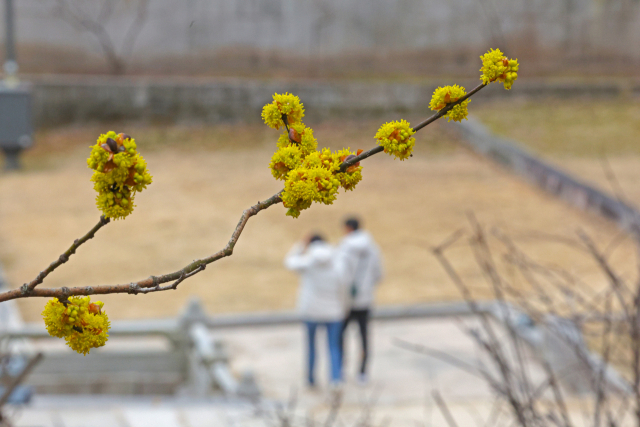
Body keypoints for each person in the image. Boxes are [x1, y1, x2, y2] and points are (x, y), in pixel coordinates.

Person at [285, 234, 348, 388]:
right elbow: (344, 286)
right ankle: (335, 380)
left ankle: (311, 379)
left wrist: (300, 245)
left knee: (311, 346)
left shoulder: (308, 262)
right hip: (334, 311)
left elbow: (289, 262)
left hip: (311, 311)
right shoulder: (337, 261)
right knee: (333, 346)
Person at [338, 217, 383, 384]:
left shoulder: (344, 247)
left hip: (347, 301)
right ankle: (362, 372)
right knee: (364, 337)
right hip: (366, 299)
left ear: (348, 228)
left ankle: (341, 369)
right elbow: (379, 273)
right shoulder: (373, 247)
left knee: (341, 336)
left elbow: (340, 275)